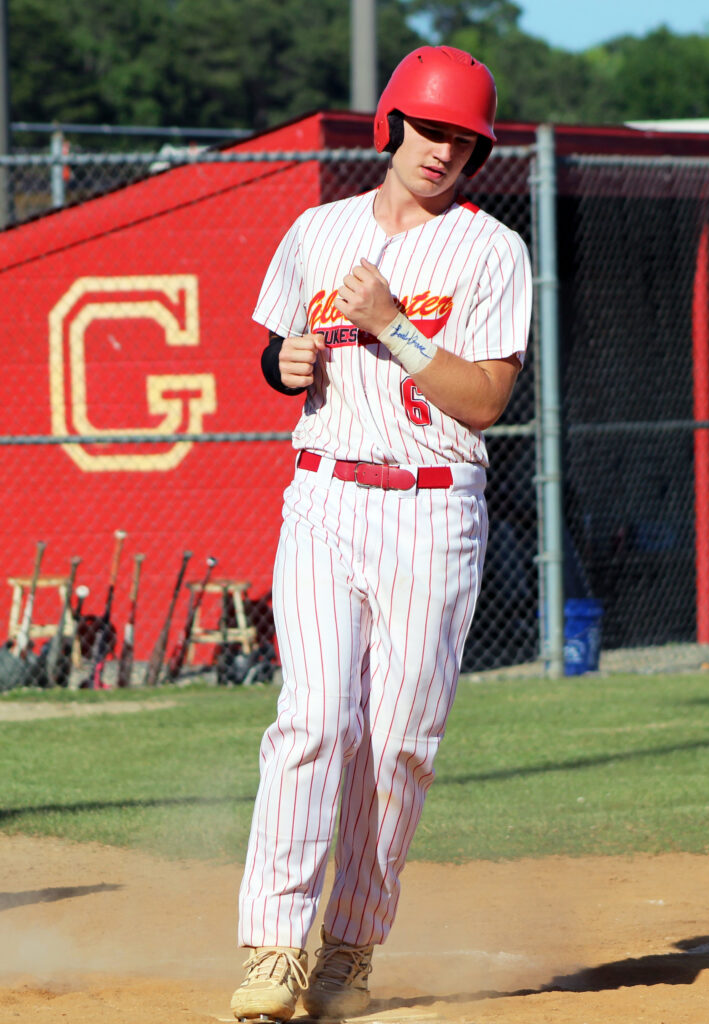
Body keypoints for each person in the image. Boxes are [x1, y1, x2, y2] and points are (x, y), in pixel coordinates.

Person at [231, 44, 532, 1023]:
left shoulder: (491, 252)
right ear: (392, 124)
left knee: (398, 743)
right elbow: (272, 355)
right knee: (314, 720)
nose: (441, 148)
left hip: (433, 507)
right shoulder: (317, 231)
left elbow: (483, 398)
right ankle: (273, 946)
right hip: (322, 499)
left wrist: (395, 327)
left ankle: (349, 944)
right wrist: (286, 360)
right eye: (428, 126)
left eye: (462, 136)